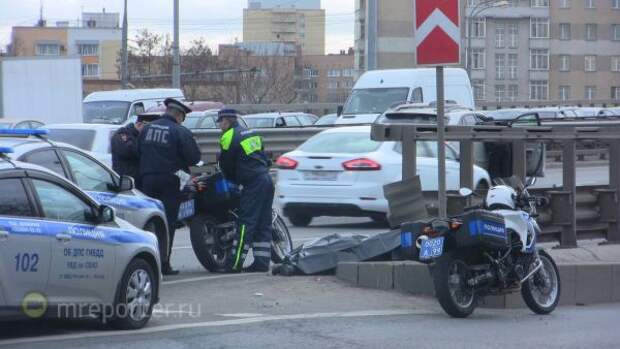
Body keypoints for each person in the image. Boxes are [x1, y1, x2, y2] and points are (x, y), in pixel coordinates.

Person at [138, 98, 201, 275]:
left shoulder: (147, 128)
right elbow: (194, 158)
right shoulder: (180, 131)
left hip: (148, 180)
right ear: (179, 114)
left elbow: (138, 151)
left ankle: (148, 262)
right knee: (168, 223)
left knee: (149, 220)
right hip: (170, 181)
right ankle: (164, 264)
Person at [217, 109, 274, 273]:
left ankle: (234, 264)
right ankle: (262, 262)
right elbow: (262, 154)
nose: (219, 126)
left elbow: (226, 164)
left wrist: (230, 180)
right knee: (264, 223)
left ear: (226, 121)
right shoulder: (252, 132)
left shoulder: (228, 136)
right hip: (266, 179)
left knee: (245, 223)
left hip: (252, 183)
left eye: (220, 122)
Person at [110, 113, 160, 189]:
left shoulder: (140, 137)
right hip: (125, 183)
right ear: (140, 124)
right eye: (149, 128)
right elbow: (128, 151)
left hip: (139, 182)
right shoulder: (122, 134)